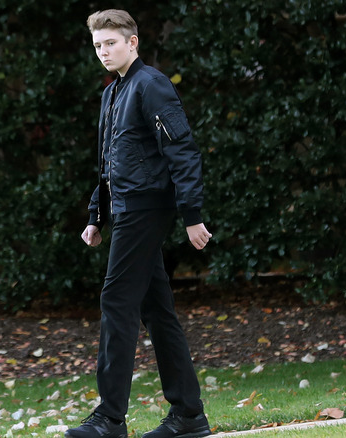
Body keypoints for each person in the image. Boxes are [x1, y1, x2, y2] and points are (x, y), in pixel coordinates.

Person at [66, 10, 213, 438]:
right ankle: (188, 414)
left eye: (110, 43)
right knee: (156, 310)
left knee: (116, 301)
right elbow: (110, 163)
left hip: (148, 208)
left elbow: (181, 150)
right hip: (127, 208)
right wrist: (97, 215)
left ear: (133, 42)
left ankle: (110, 418)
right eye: (97, 45)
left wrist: (192, 215)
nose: (103, 51)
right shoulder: (113, 92)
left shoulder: (150, 84)